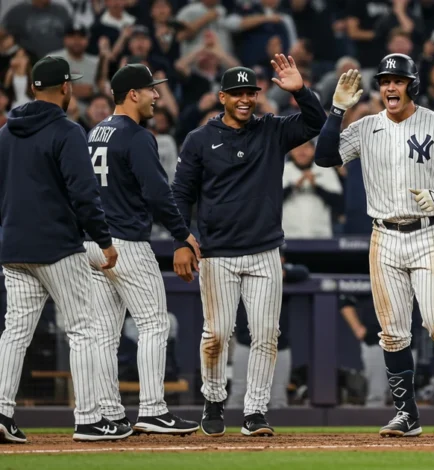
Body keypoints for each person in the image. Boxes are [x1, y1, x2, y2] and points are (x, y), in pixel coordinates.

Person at [314, 53, 434, 437]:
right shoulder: (366, 126)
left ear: (412, 85)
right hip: (384, 235)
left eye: (398, 81)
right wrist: (337, 110)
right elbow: (324, 157)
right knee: (392, 333)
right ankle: (407, 413)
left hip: (430, 232)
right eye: (385, 81)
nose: (390, 86)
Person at [172, 55, 326, 438]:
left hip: (264, 251)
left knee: (265, 334)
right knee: (217, 335)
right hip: (217, 253)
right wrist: (182, 240)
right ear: (221, 97)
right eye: (237, 93)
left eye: (250, 93)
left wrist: (300, 91)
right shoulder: (199, 139)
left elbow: (316, 123)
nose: (245, 99)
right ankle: (213, 398)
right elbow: (181, 195)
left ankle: (255, 411)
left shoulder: (272, 130)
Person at [0, 56, 129, 443]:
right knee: (84, 330)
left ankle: (2, 413)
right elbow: (84, 193)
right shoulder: (67, 131)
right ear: (66, 88)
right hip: (57, 246)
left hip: (13, 246)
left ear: (34, 87)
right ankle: (89, 419)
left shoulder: (5, 132)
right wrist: (104, 241)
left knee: (15, 333)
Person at [84, 64, 201, 436]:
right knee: (154, 323)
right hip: (127, 243)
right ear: (132, 93)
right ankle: (152, 409)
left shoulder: (94, 132)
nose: (155, 95)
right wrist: (184, 234)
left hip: (93, 241)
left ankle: (109, 414)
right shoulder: (136, 135)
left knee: (103, 332)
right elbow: (156, 193)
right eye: (150, 89)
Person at [228, 251, 310, 410]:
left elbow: (303, 272)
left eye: (278, 256)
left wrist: (281, 272)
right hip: (247, 344)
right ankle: (233, 432)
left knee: (278, 397)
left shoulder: (285, 272)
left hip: (279, 346)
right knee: (239, 393)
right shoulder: (247, 269)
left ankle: (277, 433)